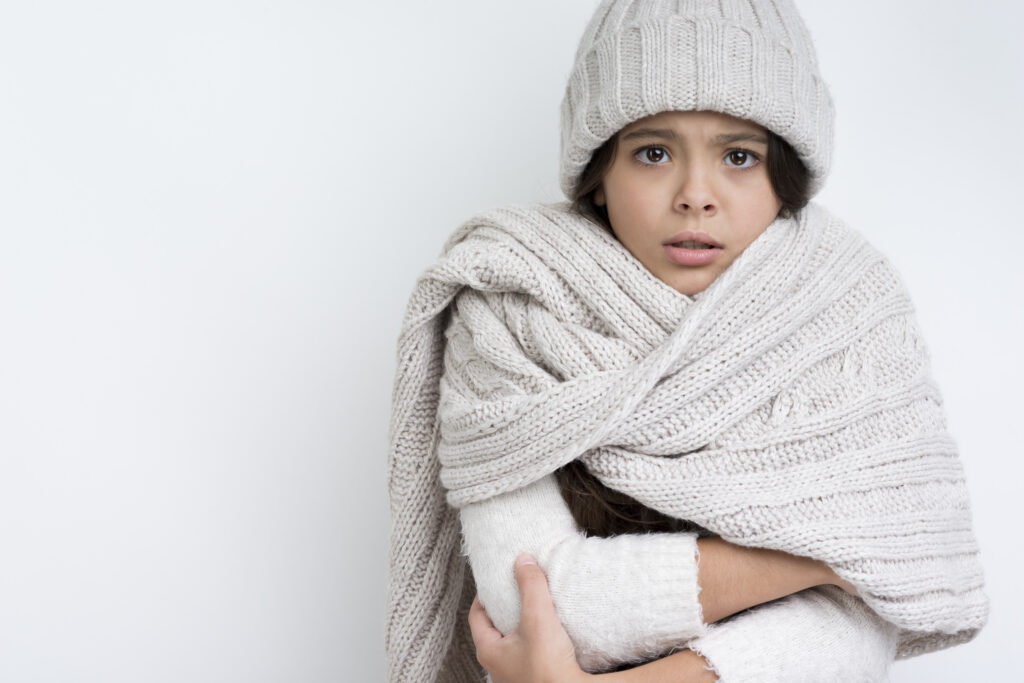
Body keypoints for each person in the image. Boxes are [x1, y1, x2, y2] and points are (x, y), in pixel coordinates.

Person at [385, 1, 989, 681]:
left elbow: (857, 629)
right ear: (599, 175)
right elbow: (534, 604)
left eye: (739, 155)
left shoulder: (848, 312)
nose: (696, 195)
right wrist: (825, 556)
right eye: (653, 152)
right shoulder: (509, 303)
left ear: (784, 176)